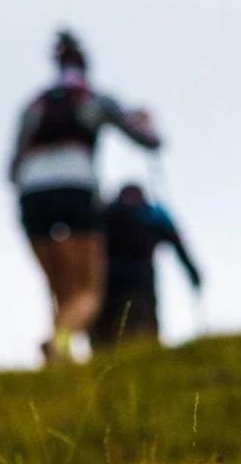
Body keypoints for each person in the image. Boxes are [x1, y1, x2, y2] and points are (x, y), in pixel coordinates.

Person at [9, 30, 162, 365]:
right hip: (76, 191)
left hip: (31, 197)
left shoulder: (34, 106)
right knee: (87, 291)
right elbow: (149, 140)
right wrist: (144, 122)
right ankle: (60, 343)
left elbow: (12, 165)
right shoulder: (94, 99)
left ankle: (56, 362)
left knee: (59, 288)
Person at [90, 183, 202, 350]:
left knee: (106, 329)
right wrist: (192, 273)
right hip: (139, 279)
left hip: (106, 280)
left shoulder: (104, 213)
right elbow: (177, 243)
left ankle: (104, 365)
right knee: (142, 324)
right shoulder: (150, 215)